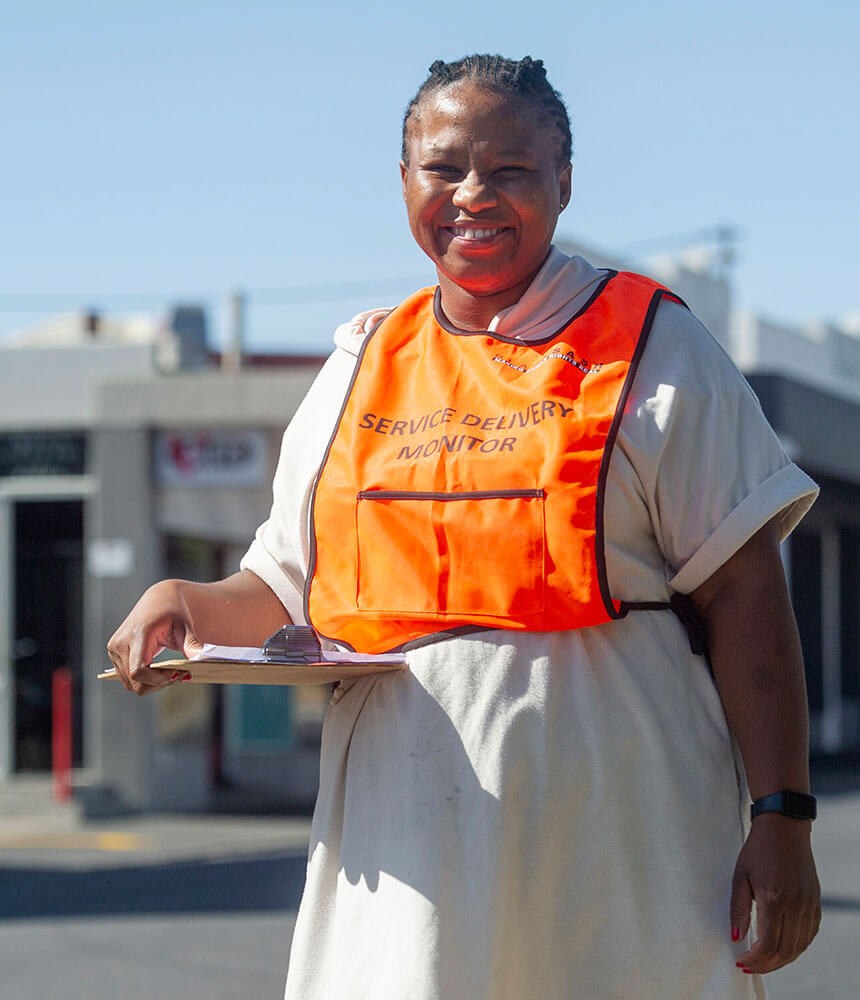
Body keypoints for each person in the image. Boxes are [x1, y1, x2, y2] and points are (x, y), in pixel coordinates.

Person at [109, 54, 821, 999]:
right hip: (405, 841)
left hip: (614, 833)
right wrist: (182, 601)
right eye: (443, 168)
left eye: (513, 170)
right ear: (404, 180)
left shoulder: (652, 346)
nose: (473, 196)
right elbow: (284, 589)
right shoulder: (361, 365)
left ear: (564, 183)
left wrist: (782, 814)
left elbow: (745, 591)